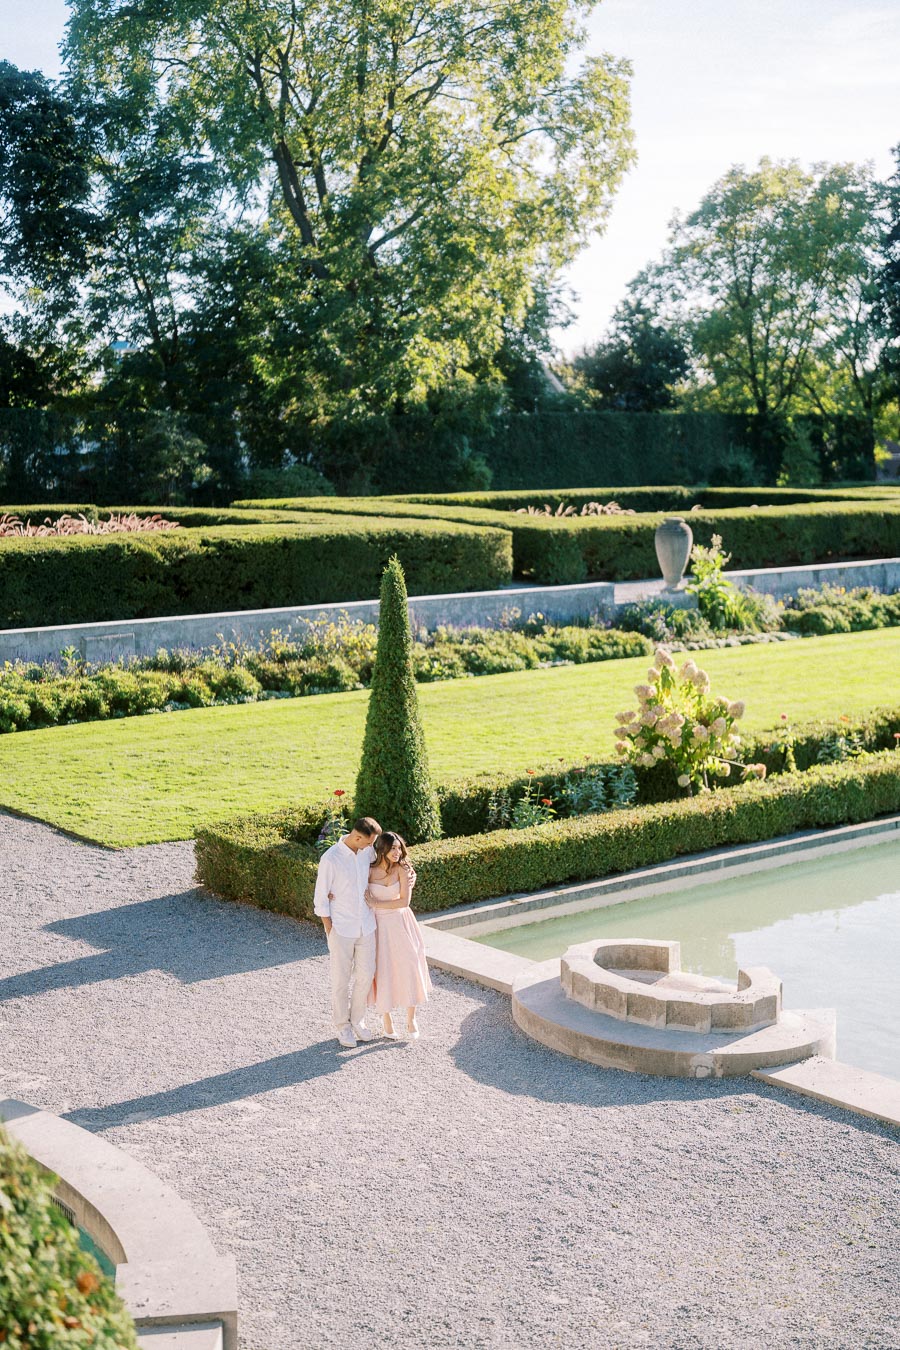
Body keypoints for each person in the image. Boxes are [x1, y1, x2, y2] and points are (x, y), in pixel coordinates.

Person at [314, 816, 381, 1048]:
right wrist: (330, 930)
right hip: (341, 929)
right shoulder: (330, 859)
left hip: (366, 925)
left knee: (365, 975)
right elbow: (320, 898)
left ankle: (358, 1020)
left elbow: (385, 865)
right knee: (340, 980)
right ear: (357, 836)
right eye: (369, 842)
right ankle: (342, 1026)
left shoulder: (367, 852)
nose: (371, 846)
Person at [366, 831, 431, 1039]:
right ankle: (387, 1020)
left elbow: (404, 902)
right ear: (382, 849)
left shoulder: (403, 869)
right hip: (378, 926)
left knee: (409, 965)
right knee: (382, 969)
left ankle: (411, 1019)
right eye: (392, 848)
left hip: (401, 922)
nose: (397, 852)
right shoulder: (368, 870)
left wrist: (376, 903)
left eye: (399, 848)